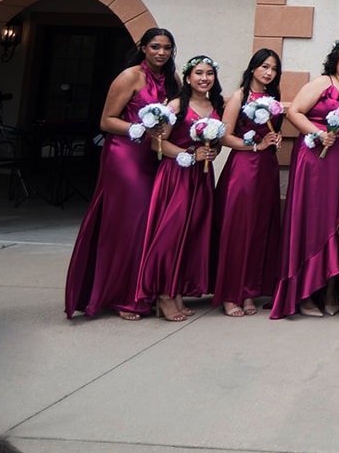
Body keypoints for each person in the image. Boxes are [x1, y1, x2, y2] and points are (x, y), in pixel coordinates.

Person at [64, 27, 180, 320]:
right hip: (126, 156)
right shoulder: (129, 77)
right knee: (131, 223)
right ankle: (120, 295)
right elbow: (106, 121)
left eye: (167, 48)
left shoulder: (174, 80)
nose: (161, 53)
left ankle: (146, 290)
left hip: (157, 156)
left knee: (153, 222)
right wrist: (137, 128)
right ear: (143, 47)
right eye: (155, 46)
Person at [271, 37, 339, 319]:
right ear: (335, 60)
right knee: (313, 222)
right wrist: (318, 134)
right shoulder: (322, 83)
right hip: (316, 161)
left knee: (338, 222)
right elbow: (294, 111)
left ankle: (331, 289)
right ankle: (304, 294)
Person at [136, 54, 224, 321]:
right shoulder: (176, 105)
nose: (204, 78)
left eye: (209, 73)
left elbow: (217, 142)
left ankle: (176, 292)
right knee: (170, 234)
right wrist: (188, 155)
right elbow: (157, 143)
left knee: (192, 234)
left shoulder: (215, 103)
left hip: (202, 177)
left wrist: (212, 152)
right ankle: (162, 294)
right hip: (176, 175)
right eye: (199, 73)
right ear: (188, 77)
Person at [213, 49, 285, 317]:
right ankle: (231, 293)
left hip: (267, 169)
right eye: (264, 66)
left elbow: (271, 131)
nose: (269, 72)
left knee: (258, 230)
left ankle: (249, 291)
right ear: (253, 67)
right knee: (238, 230)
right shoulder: (239, 96)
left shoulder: (272, 99)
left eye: (274, 69)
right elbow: (223, 135)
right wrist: (254, 145)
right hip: (243, 169)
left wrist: (275, 138)